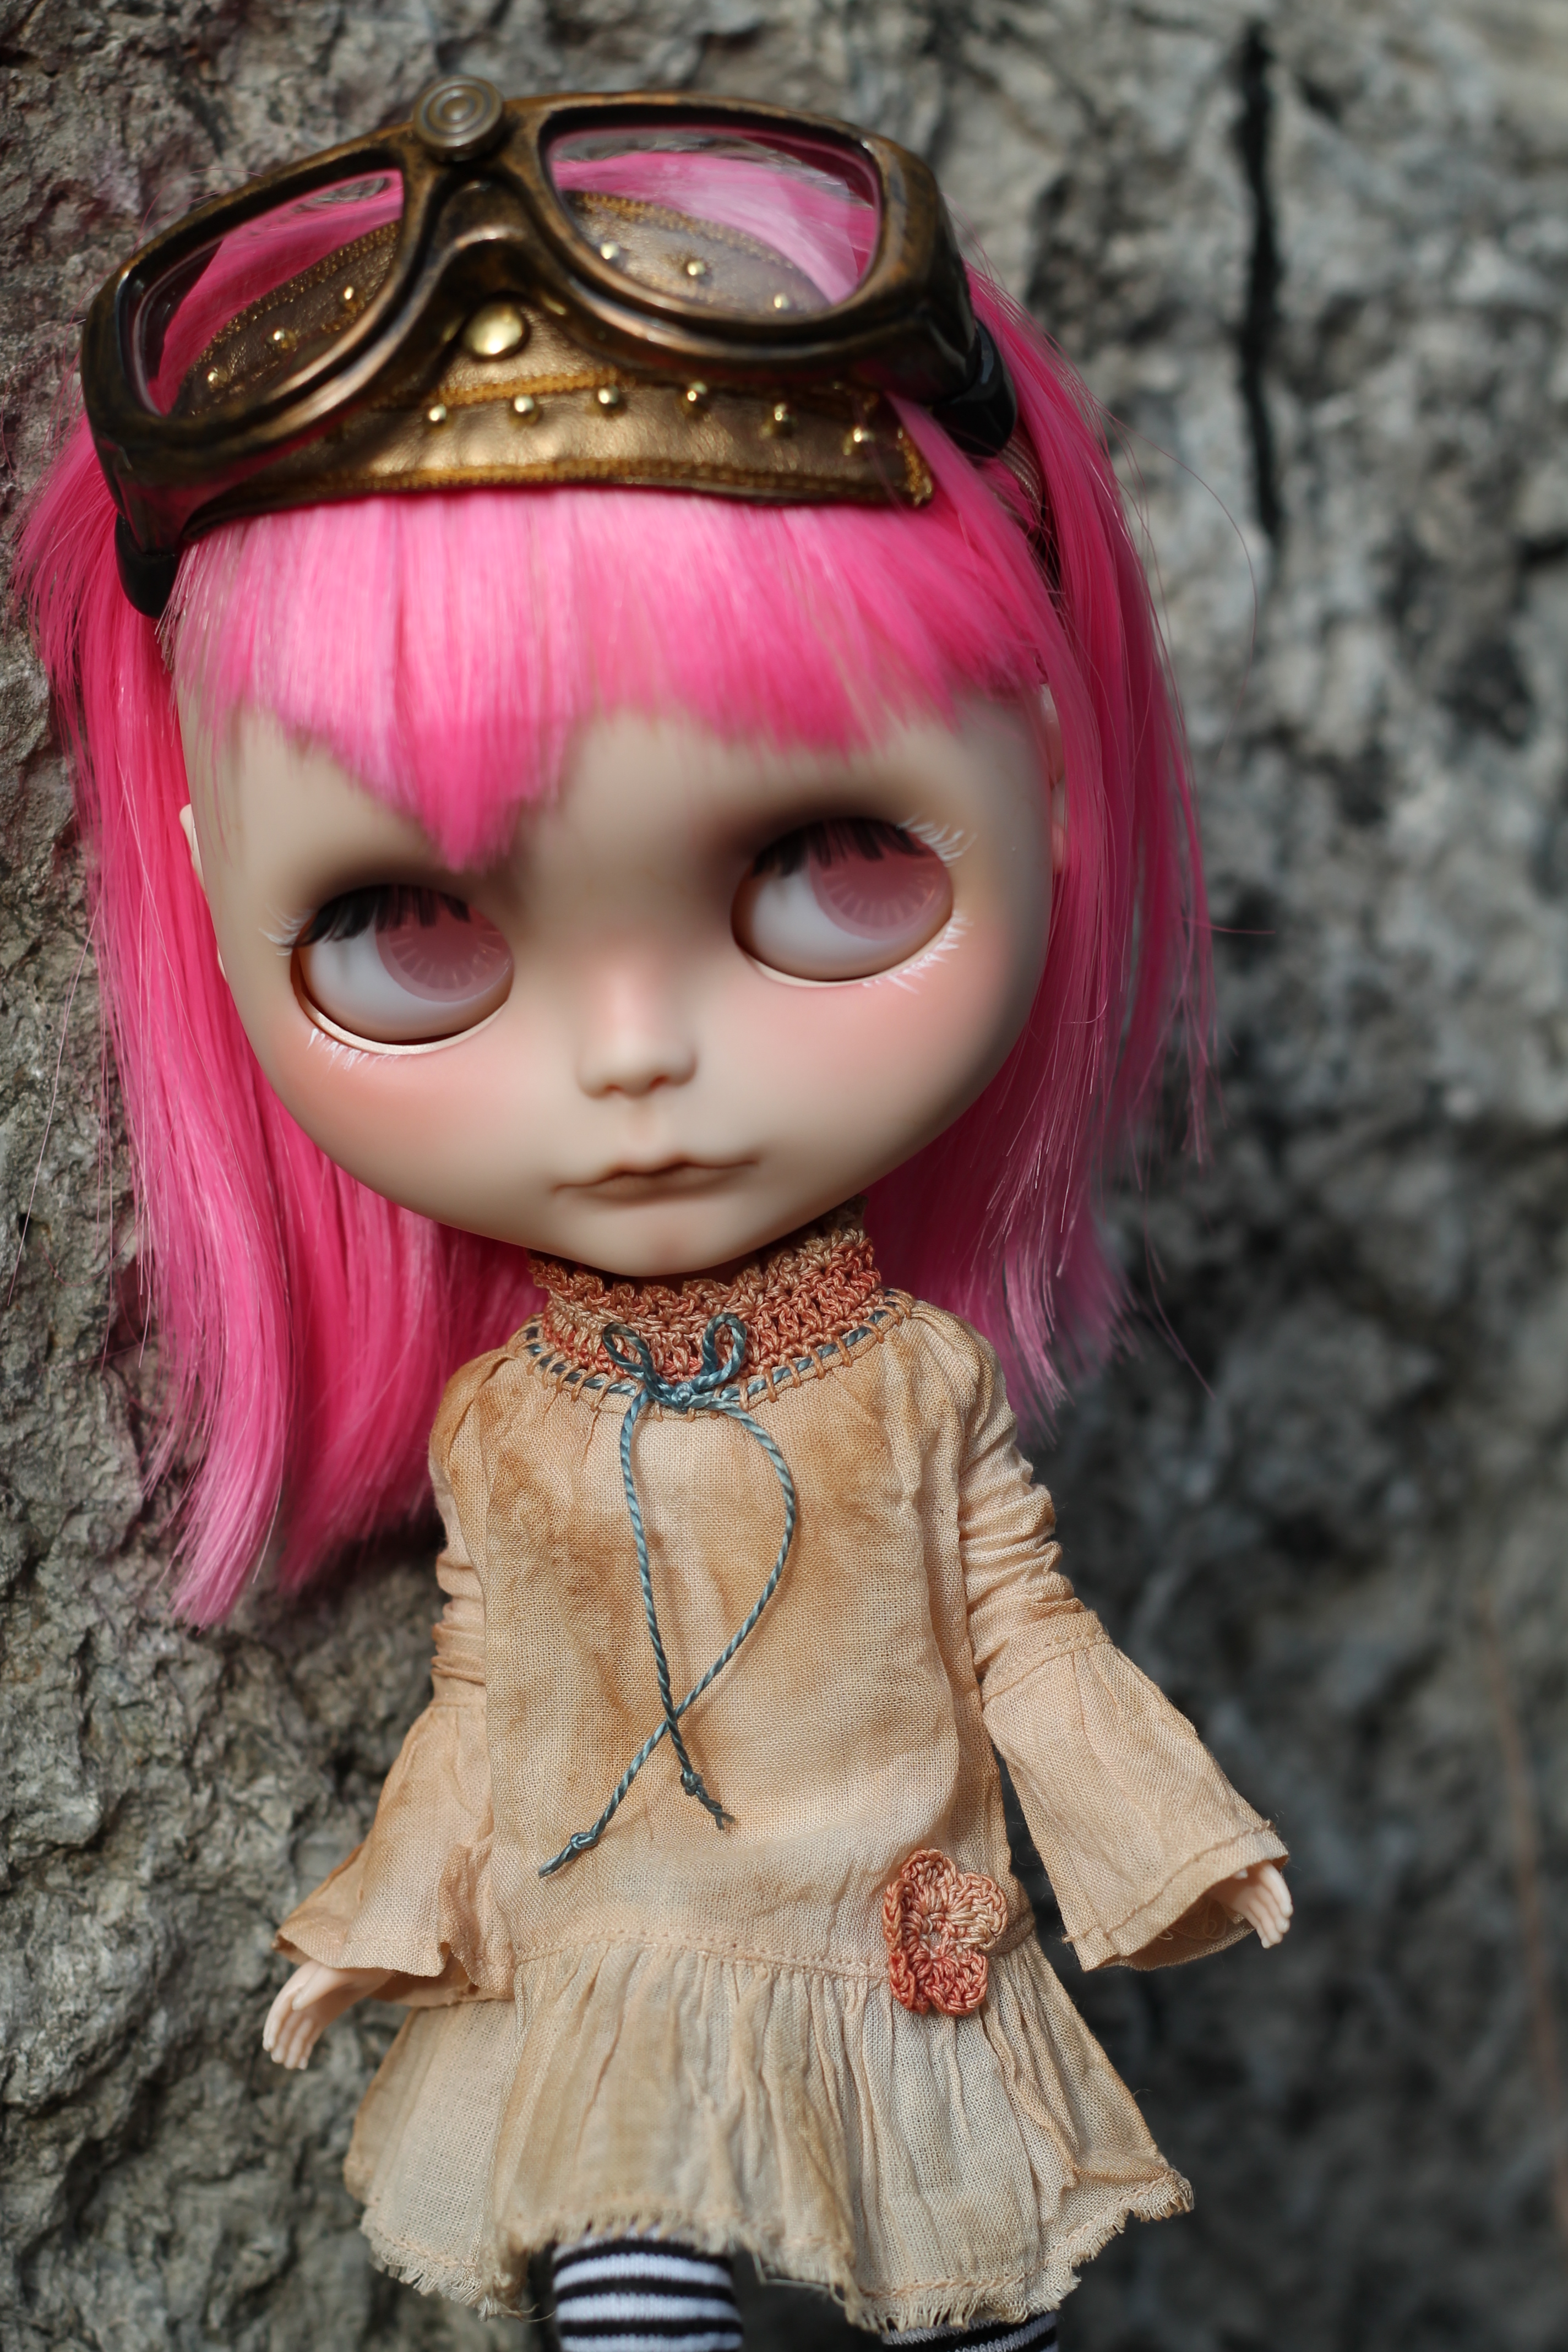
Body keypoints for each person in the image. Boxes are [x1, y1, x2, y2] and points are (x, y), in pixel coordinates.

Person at [20, 77, 1291, 2349]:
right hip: (622, 1955)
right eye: (407, 926)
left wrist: (1157, 1841)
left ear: (1052, 776)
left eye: (830, 865)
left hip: (889, 1938)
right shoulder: (511, 1429)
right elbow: (488, 1691)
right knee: (633, 2298)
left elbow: (1018, 1631)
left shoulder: (904, 1383)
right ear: (209, 898)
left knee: (982, 2290)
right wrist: (389, 1910)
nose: (632, 1059)